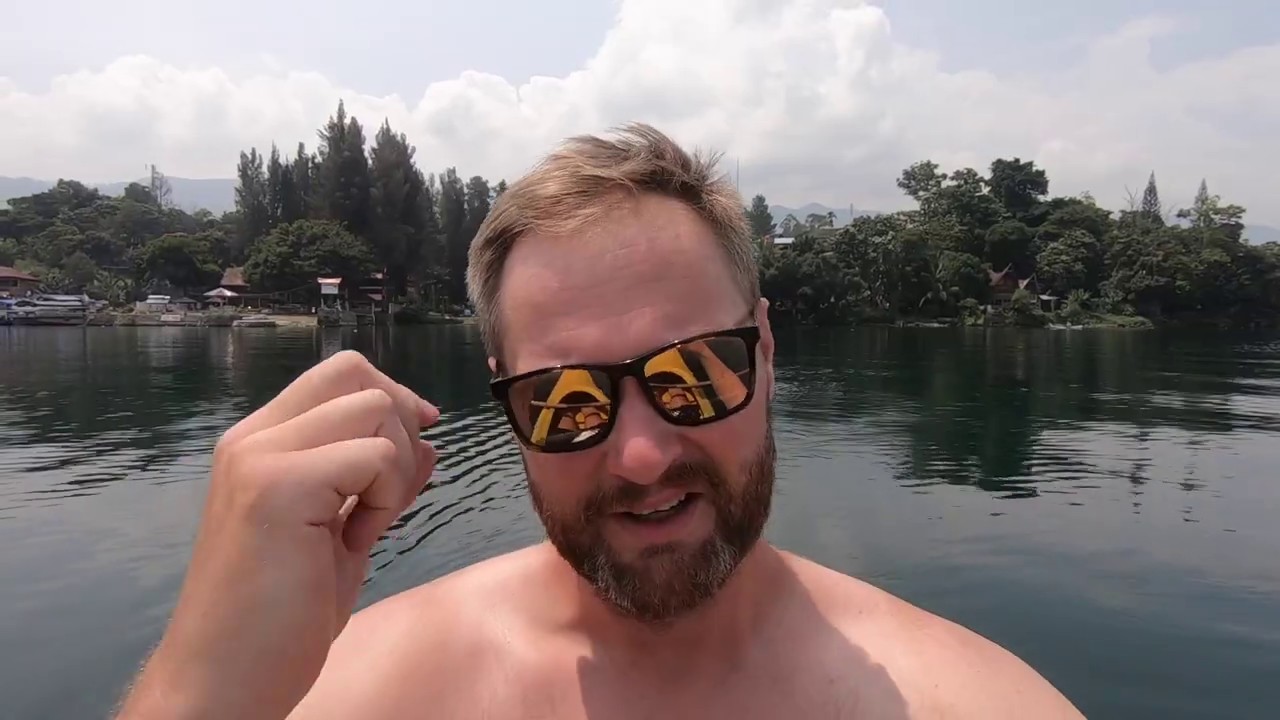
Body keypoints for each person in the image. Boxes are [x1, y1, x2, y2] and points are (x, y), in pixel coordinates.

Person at [115, 124, 1084, 720]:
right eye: (565, 402)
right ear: (505, 399)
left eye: (693, 374)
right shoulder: (354, 692)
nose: (643, 454)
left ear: (764, 349)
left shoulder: (970, 704)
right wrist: (202, 689)